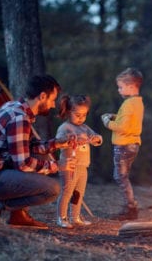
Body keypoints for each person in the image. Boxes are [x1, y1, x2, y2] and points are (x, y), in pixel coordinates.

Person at [0, 75, 75, 229]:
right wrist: (57, 165)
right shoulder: (19, 118)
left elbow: (27, 148)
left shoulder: (14, 107)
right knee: (52, 189)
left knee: (40, 156)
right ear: (42, 96)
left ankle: (18, 215)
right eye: (52, 100)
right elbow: (23, 164)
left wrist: (56, 144)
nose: (53, 105)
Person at [101, 68, 144, 221]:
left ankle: (131, 208)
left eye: (120, 87)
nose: (119, 90)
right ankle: (130, 206)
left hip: (124, 145)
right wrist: (115, 116)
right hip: (133, 144)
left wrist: (108, 122)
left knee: (120, 177)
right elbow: (128, 120)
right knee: (123, 177)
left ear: (131, 86)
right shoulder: (137, 102)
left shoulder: (128, 104)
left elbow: (122, 127)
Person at [55, 95, 103, 228]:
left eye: (84, 115)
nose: (81, 118)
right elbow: (59, 143)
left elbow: (98, 138)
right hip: (69, 166)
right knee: (67, 191)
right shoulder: (65, 128)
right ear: (69, 112)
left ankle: (75, 217)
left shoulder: (85, 128)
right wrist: (71, 140)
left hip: (83, 166)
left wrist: (95, 139)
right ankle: (62, 218)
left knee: (78, 193)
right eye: (77, 115)